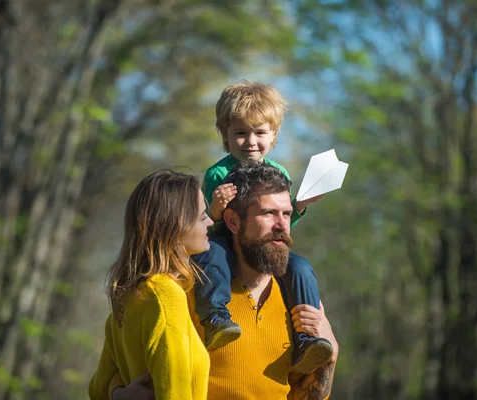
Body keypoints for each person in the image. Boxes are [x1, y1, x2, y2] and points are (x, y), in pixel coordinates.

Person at [110, 161, 339, 400]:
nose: (282, 225)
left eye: (287, 214)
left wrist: (331, 353)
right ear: (232, 221)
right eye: (269, 213)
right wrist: (117, 394)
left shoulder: (296, 300)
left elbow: (301, 394)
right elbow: (121, 359)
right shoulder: (184, 290)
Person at [194, 80, 332, 374]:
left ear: (273, 136)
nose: (251, 141)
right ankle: (216, 317)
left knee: (301, 267)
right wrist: (217, 206)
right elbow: (212, 221)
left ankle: (307, 338)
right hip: (223, 241)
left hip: (260, 246)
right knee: (212, 257)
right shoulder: (218, 172)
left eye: (260, 132)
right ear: (226, 137)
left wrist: (300, 205)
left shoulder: (279, 171)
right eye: (240, 133)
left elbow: (278, 226)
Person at [88, 170, 213, 400]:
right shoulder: (165, 295)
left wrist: (119, 395)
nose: (211, 222)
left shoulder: (129, 295)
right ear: (177, 225)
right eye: (202, 216)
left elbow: (98, 388)